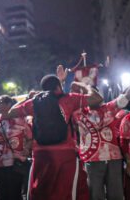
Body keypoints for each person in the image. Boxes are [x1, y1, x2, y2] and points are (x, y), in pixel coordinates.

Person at [8, 68, 103, 200]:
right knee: (67, 192)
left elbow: (11, 112)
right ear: (58, 86)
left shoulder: (34, 103)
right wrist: (85, 85)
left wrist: (29, 97)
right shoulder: (70, 99)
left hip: (41, 155)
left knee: (43, 193)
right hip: (65, 155)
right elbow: (97, 98)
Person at [72, 63, 130, 200]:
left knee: (116, 195)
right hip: (92, 159)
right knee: (95, 196)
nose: (94, 97)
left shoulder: (110, 108)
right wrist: (81, 86)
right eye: (90, 95)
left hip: (114, 159)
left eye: (95, 93)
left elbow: (127, 95)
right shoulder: (78, 112)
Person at [0, 95, 32, 200]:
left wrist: (27, 148)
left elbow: (30, 138)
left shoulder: (20, 120)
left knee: (15, 193)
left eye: (1, 102)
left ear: (9, 104)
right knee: (2, 193)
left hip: (15, 163)